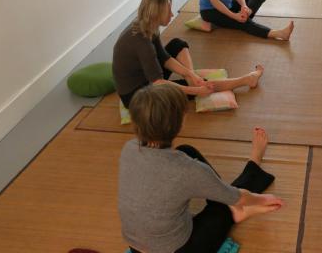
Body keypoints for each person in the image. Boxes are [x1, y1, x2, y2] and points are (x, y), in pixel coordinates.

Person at [119, 84, 283, 253]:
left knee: (186, 150)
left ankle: (231, 208)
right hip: (180, 250)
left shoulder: (129, 148)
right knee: (223, 207)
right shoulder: (187, 169)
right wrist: (262, 199)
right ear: (179, 122)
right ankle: (250, 174)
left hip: (135, 246)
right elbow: (238, 197)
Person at [113, 0, 264, 108]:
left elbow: (163, 57)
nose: (172, 14)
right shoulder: (142, 43)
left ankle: (192, 81)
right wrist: (196, 91)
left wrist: (190, 74)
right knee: (204, 86)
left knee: (177, 44)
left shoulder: (148, 25)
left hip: (145, 76)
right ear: (156, 15)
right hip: (136, 96)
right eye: (168, 11)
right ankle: (246, 80)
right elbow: (158, 83)